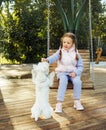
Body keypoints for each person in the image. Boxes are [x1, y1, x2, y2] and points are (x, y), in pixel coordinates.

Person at [41, 32, 84, 113]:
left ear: (73, 43)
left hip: (72, 72)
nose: (66, 44)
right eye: (64, 42)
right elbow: (53, 57)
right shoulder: (60, 51)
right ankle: (59, 103)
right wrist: (47, 60)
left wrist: (76, 73)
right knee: (63, 81)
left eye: (68, 43)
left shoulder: (76, 53)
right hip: (62, 72)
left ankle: (77, 101)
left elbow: (80, 66)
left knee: (78, 81)